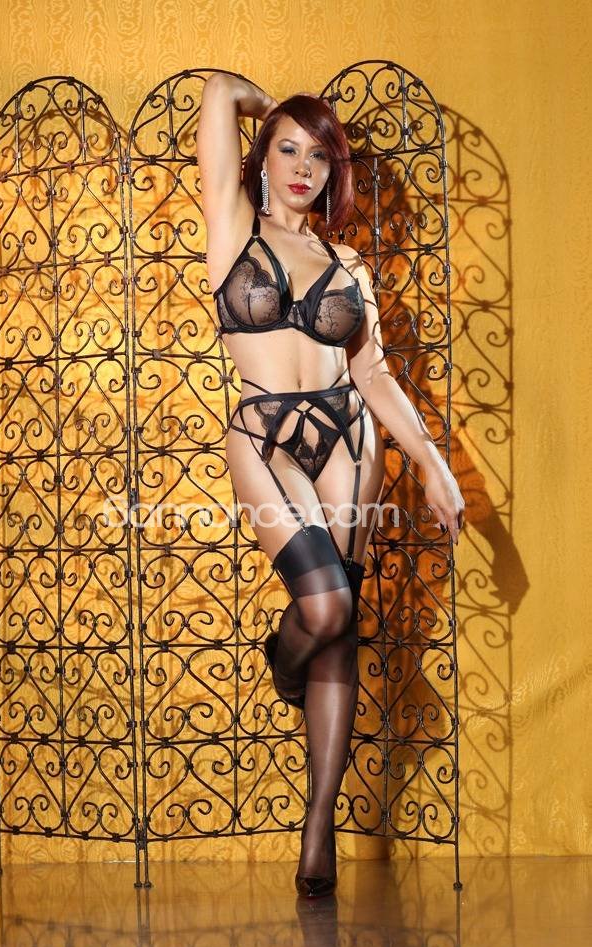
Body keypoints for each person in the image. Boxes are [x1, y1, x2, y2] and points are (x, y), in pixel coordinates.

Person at [197, 73, 465, 898]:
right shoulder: (231, 226)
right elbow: (216, 93)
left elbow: (373, 375)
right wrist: (267, 103)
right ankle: (285, 661)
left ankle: (318, 833)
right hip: (265, 435)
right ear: (261, 158)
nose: (303, 169)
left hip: (348, 438)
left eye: (319, 156)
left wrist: (432, 463)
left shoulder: (345, 263)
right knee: (322, 611)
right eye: (288, 150)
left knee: (341, 628)